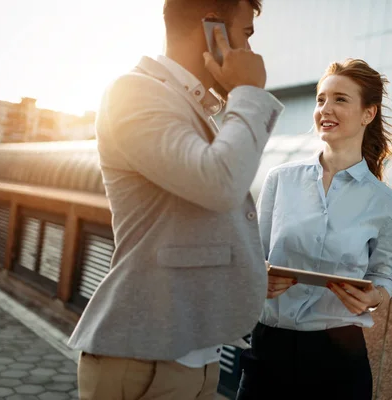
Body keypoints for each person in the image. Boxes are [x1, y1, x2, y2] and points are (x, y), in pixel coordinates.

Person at [67, 0, 284, 399]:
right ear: (212, 30)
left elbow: (190, 218)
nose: (252, 52)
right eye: (246, 34)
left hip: (197, 360)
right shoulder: (133, 91)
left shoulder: (189, 104)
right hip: (141, 364)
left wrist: (250, 269)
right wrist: (249, 91)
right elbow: (218, 183)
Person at [236, 59, 392, 400]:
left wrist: (374, 296)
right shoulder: (280, 180)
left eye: (340, 99)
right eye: (320, 99)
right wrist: (259, 278)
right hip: (269, 345)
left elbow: (383, 274)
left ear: (368, 114)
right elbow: (250, 256)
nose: (325, 109)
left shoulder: (387, 204)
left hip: (338, 357)